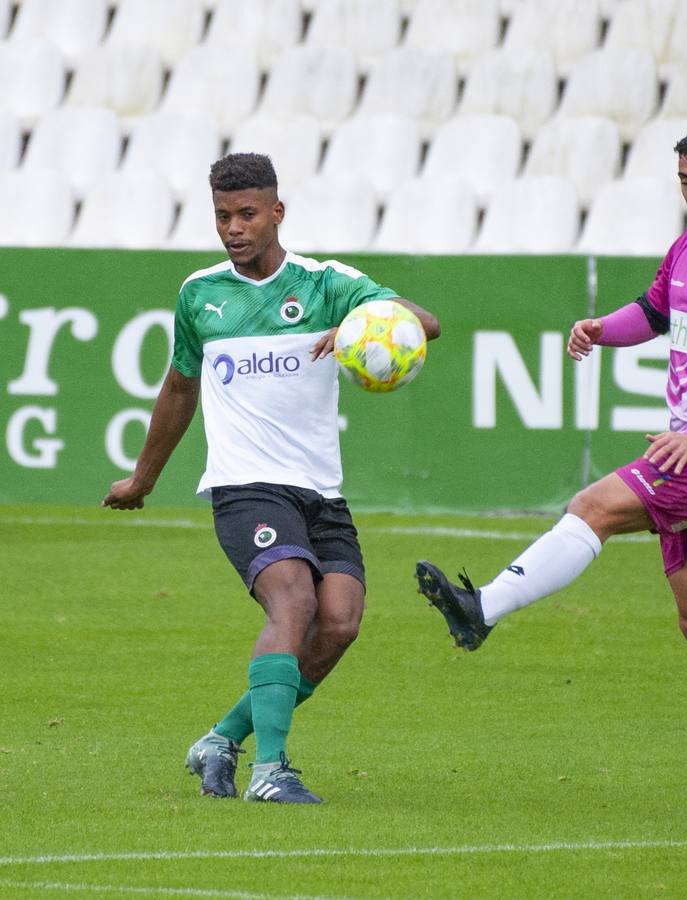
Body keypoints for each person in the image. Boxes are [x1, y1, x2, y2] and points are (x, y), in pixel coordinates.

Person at [415, 116, 687, 817]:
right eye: (685, 180)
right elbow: (654, 312)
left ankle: (483, 609)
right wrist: (603, 329)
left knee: (593, 506)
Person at [102, 152, 440, 804]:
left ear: (276, 212)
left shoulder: (326, 283)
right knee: (294, 603)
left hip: (319, 489)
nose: (234, 228)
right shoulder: (200, 295)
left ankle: (219, 741)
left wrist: (357, 325)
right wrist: (141, 480)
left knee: (339, 623)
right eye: (223, 216)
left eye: (247, 214)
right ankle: (271, 771)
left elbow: (425, 324)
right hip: (244, 485)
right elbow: (179, 386)